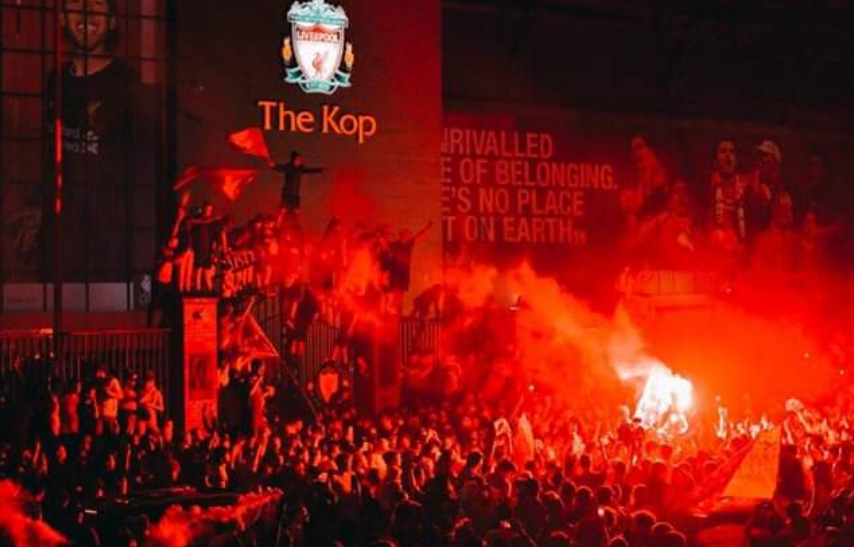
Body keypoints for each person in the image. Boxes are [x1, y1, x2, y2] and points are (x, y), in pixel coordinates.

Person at [41, 0, 144, 282]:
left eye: (97, 4)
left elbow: (140, 163)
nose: (86, 11)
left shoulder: (126, 81)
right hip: (59, 235)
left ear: (112, 21)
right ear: (62, 18)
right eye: (76, 4)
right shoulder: (56, 80)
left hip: (108, 235)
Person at [384, 221, 434, 314]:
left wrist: (428, 227)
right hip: (395, 273)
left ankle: (398, 312)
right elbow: (385, 249)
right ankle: (390, 311)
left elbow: (419, 235)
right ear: (402, 235)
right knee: (394, 293)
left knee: (400, 294)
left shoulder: (408, 244)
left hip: (404, 273)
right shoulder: (394, 245)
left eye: (409, 235)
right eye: (407, 234)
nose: (409, 236)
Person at [269, 151, 324, 219]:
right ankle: (277, 225)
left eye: (301, 159)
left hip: (295, 195)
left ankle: (296, 227)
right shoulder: (288, 167)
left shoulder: (300, 169)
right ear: (294, 160)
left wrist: (320, 170)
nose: (300, 160)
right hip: (287, 194)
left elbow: (309, 171)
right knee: (283, 211)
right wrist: (274, 166)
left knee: (297, 211)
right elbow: (280, 168)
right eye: (299, 159)